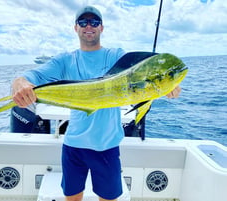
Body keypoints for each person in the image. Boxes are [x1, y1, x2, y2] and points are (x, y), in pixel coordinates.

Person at [12, 5, 181, 201]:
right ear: (76, 28)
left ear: (102, 27)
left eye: (94, 22)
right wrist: (20, 82)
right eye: (83, 22)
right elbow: (34, 75)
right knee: (72, 198)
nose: (88, 26)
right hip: (74, 145)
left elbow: (141, 72)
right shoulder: (66, 60)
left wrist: (169, 85)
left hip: (107, 146)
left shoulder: (115, 56)